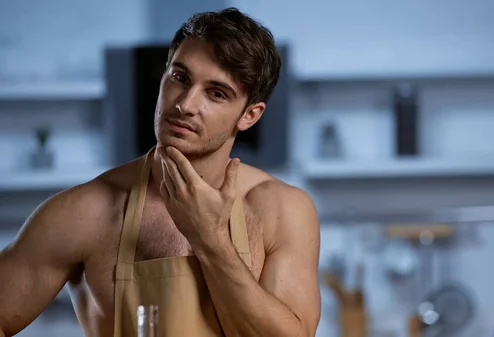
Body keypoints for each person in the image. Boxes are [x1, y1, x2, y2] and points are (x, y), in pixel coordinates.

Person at [0, 7, 321, 337]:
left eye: (216, 93)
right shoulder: (85, 211)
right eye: (180, 78)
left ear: (249, 116)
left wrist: (209, 240)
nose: (185, 103)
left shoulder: (283, 211)